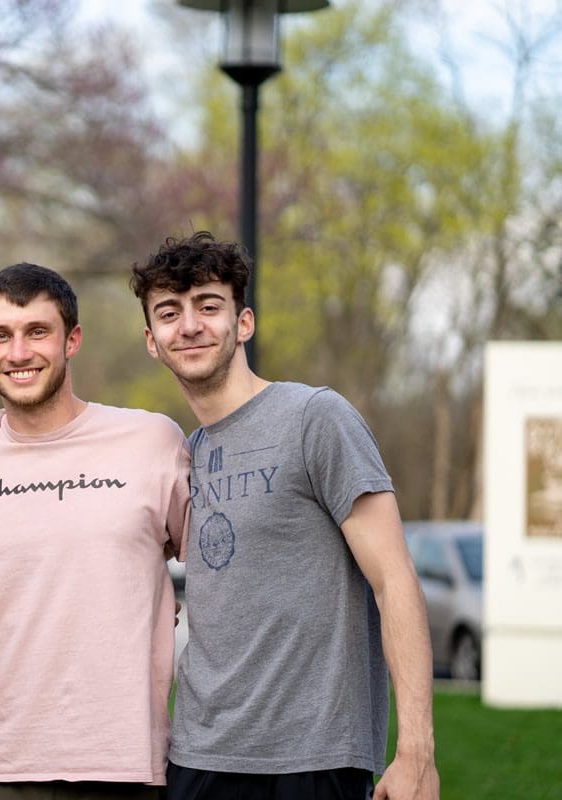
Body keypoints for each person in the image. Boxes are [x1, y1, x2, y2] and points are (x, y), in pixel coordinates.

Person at [129, 231, 439, 800]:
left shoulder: (315, 418)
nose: (190, 325)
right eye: (170, 313)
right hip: (198, 757)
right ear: (152, 340)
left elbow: (394, 581)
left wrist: (417, 751)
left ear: (243, 323)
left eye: (209, 306)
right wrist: (1, 433)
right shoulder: (179, 454)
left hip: (313, 759)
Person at [0, 263, 190, 799]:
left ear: (72, 340)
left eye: (37, 332)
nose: (18, 353)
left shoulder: (151, 441)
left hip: (127, 767)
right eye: (0, 336)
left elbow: (220, 570)